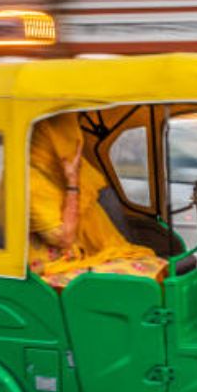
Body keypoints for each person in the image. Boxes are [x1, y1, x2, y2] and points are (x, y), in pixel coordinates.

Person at [27, 114, 168, 289]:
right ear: (46, 141)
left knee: (153, 267)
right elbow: (65, 239)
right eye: (63, 139)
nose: (72, 146)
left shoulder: (72, 171)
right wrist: (72, 182)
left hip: (80, 256)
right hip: (48, 270)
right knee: (143, 280)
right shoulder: (30, 181)